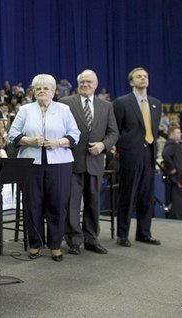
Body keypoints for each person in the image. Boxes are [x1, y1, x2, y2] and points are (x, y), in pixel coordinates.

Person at [8, 74, 80, 262]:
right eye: (38, 88)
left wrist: (59, 142)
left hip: (60, 163)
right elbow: (12, 134)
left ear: (53, 91)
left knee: (57, 204)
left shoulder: (64, 109)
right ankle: (35, 244)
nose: (42, 91)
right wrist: (29, 140)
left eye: (46, 88)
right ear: (33, 91)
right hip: (31, 164)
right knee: (33, 205)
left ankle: (55, 245)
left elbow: (75, 134)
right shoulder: (25, 110)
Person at [60, 70, 119, 255]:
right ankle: (73, 240)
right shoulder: (65, 103)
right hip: (72, 161)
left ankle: (91, 239)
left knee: (93, 203)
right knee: (72, 204)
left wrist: (103, 145)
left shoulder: (106, 106)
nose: (85, 84)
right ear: (78, 84)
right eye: (82, 82)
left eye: (89, 82)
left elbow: (114, 133)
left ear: (96, 84)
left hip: (95, 161)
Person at [113, 67, 162, 247]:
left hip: (149, 154)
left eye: (145, 76)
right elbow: (116, 130)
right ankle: (123, 234)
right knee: (127, 194)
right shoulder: (121, 102)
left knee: (146, 196)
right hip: (130, 155)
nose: (143, 78)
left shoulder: (156, 103)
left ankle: (144, 232)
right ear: (131, 82)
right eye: (138, 77)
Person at [162, 126, 182, 220]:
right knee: (177, 201)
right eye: (177, 133)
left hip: (174, 178)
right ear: (171, 134)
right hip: (175, 178)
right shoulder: (172, 144)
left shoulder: (174, 144)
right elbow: (165, 154)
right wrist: (172, 168)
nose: (180, 134)